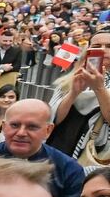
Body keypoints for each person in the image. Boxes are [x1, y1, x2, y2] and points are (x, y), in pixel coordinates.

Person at [47, 27, 110, 163]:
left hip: (98, 155)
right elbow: (52, 119)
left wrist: (99, 89)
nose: (103, 50)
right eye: (97, 46)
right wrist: (73, 94)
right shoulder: (69, 80)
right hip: (60, 149)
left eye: (109, 46)